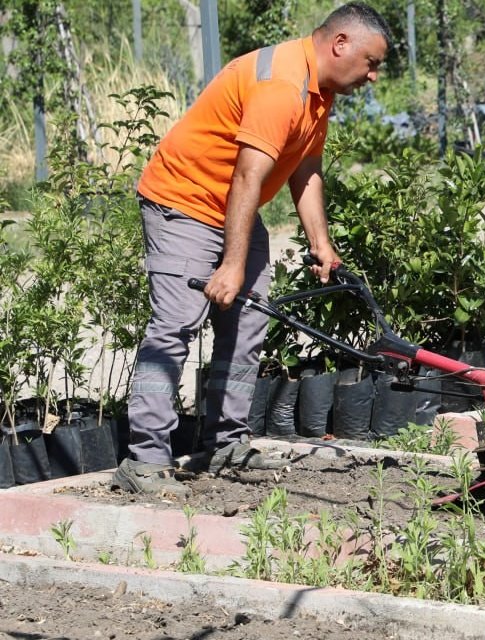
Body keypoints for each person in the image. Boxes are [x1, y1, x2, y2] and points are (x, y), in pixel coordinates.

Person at [113, 3, 391, 497]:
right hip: (183, 201)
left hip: (229, 204)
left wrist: (322, 245)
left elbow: (305, 167)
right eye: (371, 62)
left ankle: (226, 442)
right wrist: (232, 264)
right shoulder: (282, 86)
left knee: (248, 322)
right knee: (176, 324)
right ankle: (144, 461)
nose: (372, 76)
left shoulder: (317, 91)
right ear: (340, 43)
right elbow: (246, 178)